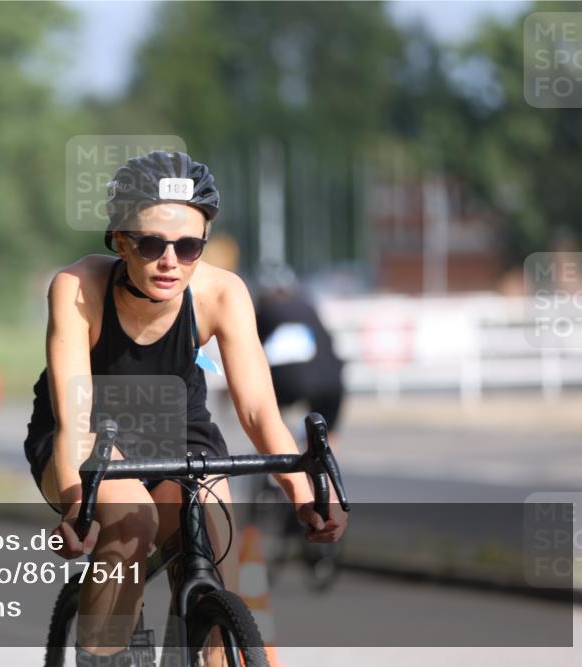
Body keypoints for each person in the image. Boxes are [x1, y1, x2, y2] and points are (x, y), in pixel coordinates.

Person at [23, 151, 346, 665]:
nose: (170, 261)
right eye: (152, 244)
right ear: (121, 241)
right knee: (131, 524)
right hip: (90, 438)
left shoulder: (222, 293)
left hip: (180, 434)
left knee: (218, 552)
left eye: (189, 246)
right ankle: (104, 656)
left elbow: (261, 410)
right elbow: (74, 422)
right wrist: (74, 506)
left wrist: (304, 495)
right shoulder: (78, 289)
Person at [254, 263, 345, 440]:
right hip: (330, 380)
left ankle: (276, 453)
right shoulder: (308, 307)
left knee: (269, 427)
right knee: (324, 438)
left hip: (285, 382)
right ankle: (324, 463)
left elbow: (249, 353)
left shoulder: (264, 312)